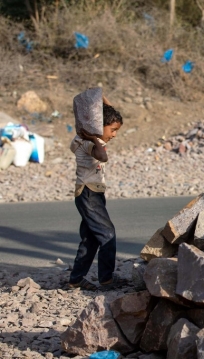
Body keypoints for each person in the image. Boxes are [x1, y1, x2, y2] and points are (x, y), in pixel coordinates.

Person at [67, 97, 128, 291]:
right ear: (97, 127)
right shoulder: (83, 142)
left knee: (91, 238)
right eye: (113, 130)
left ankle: (76, 279)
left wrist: (99, 99)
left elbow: (107, 116)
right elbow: (103, 156)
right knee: (107, 234)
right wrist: (94, 137)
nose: (115, 134)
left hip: (94, 194)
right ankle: (106, 279)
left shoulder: (96, 137)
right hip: (88, 195)